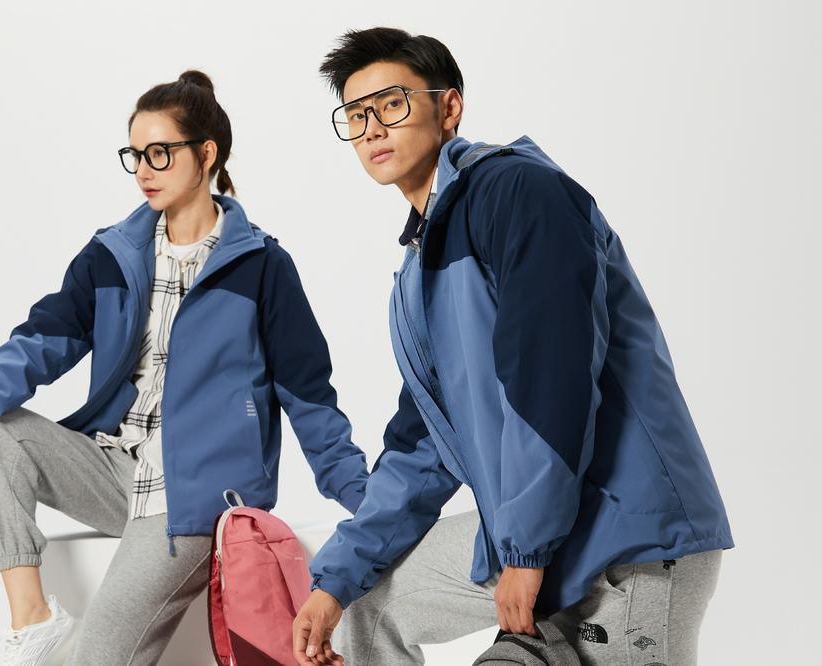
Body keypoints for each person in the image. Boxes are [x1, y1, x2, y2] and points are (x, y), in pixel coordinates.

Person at [293, 28, 733, 666]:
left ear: (449, 107)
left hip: (629, 540)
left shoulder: (519, 193)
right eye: (356, 115)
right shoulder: (421, 269)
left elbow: (552, 377)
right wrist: (334, 580)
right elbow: (422, 447)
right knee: (370, 601)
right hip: (537, 535)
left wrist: (526, 553)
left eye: (391, 104)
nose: (372, 128)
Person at [0, 70, 369, 665]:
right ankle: (32, 619)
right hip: (113, 465)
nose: (144, 170)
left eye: (160, 153)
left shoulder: (262, 266)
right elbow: (46, 337)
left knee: (99, 658)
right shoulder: (114, 253)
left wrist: (370, 504)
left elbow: (310, 397)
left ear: (207, 154)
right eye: (136, 155)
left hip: (193, 495)